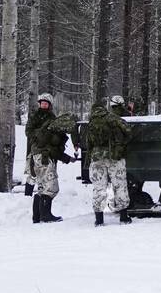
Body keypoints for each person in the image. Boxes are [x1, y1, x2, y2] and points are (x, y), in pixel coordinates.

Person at [27, 93, 75, 223]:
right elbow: (30, 134)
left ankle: (37, 216)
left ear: (49, 105)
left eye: (46, 103)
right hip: (42, 156)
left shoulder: (53, 118)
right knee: (52, 187)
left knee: (42, 186)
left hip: (43, 156)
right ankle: (45, 215)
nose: (43, 105)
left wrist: (65, 158)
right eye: (42, 103)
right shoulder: (36, 117)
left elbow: (53, 146)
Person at [86, 94, 133, 226]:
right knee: (120, 186)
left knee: (99, 188)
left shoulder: (91, 122)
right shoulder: (112, 118)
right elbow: (128, 131)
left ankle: (99, 219)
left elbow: (87, 143)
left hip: (97, 158)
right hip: (114, 157)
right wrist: (122, 145)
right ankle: (124, 217)